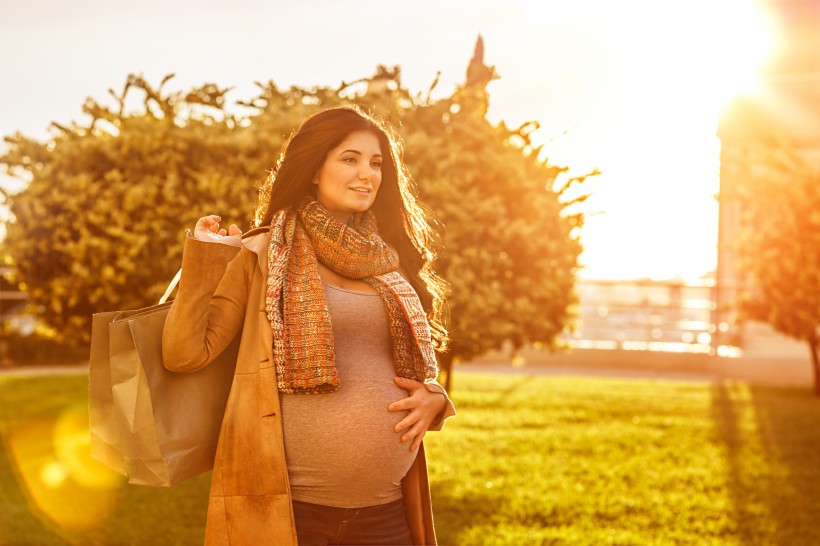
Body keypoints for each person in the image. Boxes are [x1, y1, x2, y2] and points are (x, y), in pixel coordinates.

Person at [162, 105, 456, 546]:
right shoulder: (261, 254)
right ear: (315, 169)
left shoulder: (388, 261)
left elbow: (408, 370)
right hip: (290, 517)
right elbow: (184, 354)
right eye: (349, 158)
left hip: (387, 513)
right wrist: (206, 259)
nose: (367, 174)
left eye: (376, 163)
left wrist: (436, 398)